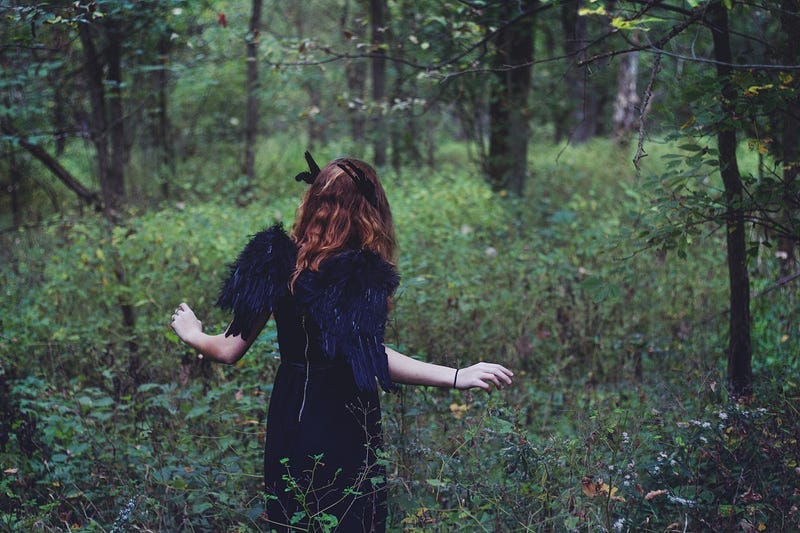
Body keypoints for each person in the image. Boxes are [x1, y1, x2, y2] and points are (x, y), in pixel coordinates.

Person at [170, 154, 514, 532]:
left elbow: (227, 349)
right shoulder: (359, 274)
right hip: (344, 418)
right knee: (349, 519)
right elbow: (370, 356)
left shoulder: (274, 259)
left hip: (288, 416)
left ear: (313, 200)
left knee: (292, 519)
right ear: (369, 211)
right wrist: (456, 375)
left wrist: (193, 333)